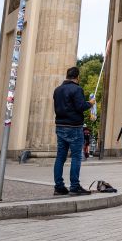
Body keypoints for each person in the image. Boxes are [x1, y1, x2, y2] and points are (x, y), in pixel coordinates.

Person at [52, 67, 92, 196]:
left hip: (60, 126)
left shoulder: (57, 90)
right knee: (76, 157)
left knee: (60, 157)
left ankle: (59, 186)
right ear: (77, 77)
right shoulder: (77, 89)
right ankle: (74, 186)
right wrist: (90, 103)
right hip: (74, 127)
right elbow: (80, 106)